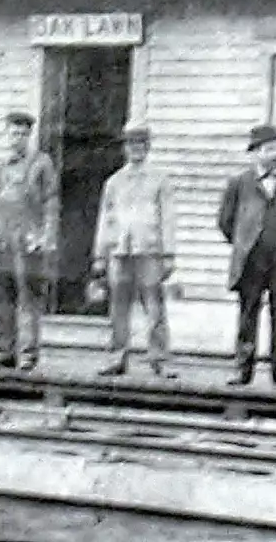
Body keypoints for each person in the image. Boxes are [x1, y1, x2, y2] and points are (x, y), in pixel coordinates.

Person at [218, 124, 276, 387]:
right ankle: (243, 370)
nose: (273, 154)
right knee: (248, 313)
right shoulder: (239, 183)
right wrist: (245, 243)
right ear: (255, 152)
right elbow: (225, 221)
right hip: (251, 259)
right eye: (267, 149)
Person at [93, 121, 178, 378]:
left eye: (141, 145)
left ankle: (159, 359)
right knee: (118, 308)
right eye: (131, 145)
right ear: (125, 149)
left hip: (149, 251)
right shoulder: (114, 182)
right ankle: (117, 358)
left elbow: (168, 218)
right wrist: (100, 255)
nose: (136, 150)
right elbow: (105, 219)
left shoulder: (160, 180)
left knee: (154, 306)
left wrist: (169, 254)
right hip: (120, 252)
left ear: (148, 147)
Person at [0, 110, 59, 371]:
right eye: (13, 133)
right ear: (6, 135)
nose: (17, 138)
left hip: (29, 242)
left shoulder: (42, 163)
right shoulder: (2, 167)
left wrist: (45, 237)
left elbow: (51, 203)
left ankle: (28, 353)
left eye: (22, 133)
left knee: (28, 299)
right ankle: (3, 350)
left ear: (29, 135)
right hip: (5, 242)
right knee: (2, 297)